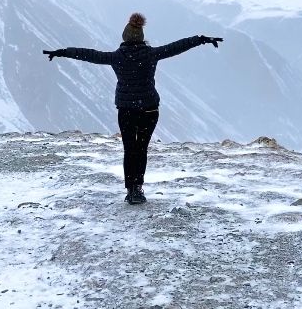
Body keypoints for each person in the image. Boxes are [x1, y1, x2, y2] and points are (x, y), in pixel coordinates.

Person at [43, 13, 222, 205]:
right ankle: (139, 188)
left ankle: (132, 190)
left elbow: (88, 54)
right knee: (141, 148)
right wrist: (201, 39)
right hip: (149, 109)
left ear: (124, 37)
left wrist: (63, 52)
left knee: (130, 149)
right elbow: (177, 47)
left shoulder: (116, 57)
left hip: (126, 109)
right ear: (141, 37)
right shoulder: (151, 54)